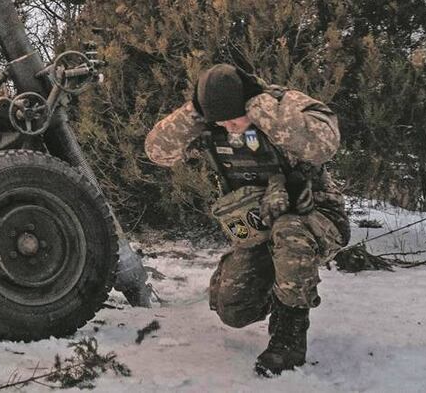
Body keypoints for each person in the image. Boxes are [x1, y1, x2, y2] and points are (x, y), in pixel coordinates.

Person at [144, 64, 349, 376]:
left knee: (289, 230)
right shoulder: (214, 124)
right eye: (221, 121)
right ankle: (283, 287)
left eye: (234, 118)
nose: (230, 127)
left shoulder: (281, 103)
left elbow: (324, 144)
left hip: (317, 218)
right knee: (233, 307)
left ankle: (289, 334)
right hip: (260, 228)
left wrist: (261, 109)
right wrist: (195, 112)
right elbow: (157, 152)